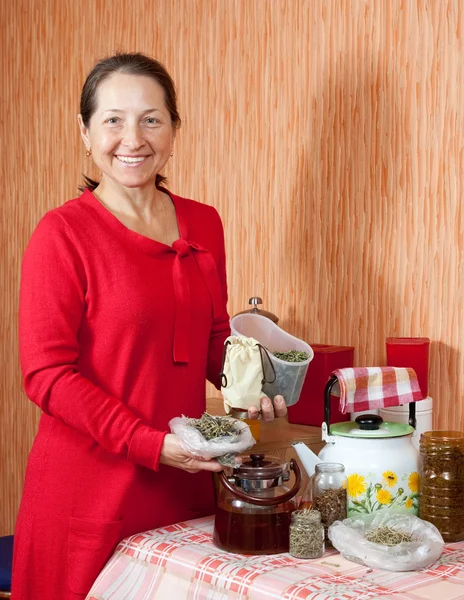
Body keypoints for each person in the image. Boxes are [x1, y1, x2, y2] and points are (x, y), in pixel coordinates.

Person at [11, 52, 287, 599]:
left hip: (182, 483)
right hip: (89, 492)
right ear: (85, 132)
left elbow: (210, 337)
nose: (131, 138)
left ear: (174, 130)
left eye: (151, 119)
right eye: (112, 119)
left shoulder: (203, 220)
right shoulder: (61, 234)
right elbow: (46, 375)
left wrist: (255, 384)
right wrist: (149, 443)